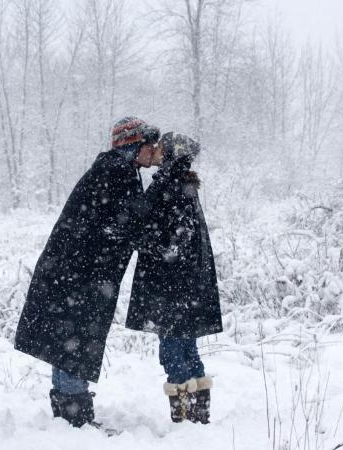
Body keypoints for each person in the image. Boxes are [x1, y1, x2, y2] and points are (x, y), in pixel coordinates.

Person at [14, 117, 192, 428]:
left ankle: (68, 418)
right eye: (150, 144)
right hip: (79, 274)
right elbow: (133, 224)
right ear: (134, 146)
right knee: (75, 339)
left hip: (74, 271)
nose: (155, 150)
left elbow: (125, 223)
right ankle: (75, 420)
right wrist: (164, 235)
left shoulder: (116, 170)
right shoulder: (116, 172)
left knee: (67, 339)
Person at [126, 132, 223, 424]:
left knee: (172, 351)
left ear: (170, 155)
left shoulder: (171, 186)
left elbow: (174, 241)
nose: (155, 150)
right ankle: (198, 413)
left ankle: (184, 418)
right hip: (185, 287)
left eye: (161, 148)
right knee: (187, 348)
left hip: (171, 287)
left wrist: (143, 241)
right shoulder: (183, 185)